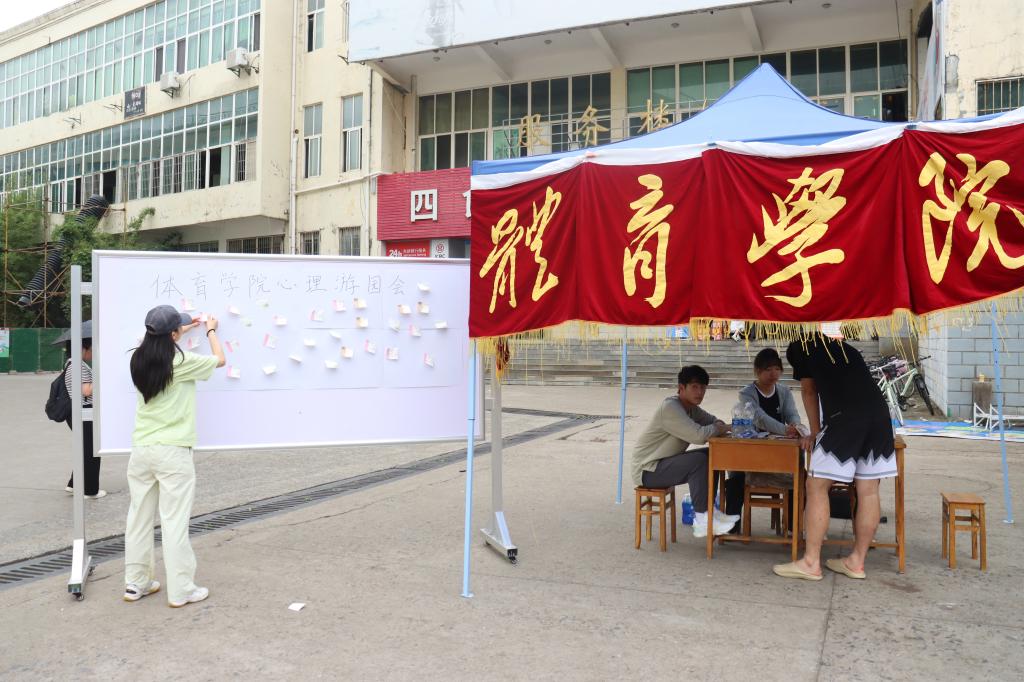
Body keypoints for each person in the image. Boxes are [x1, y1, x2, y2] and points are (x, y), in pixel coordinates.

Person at [123, 305, 224, 607]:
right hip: (173, 451)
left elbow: (155, 340)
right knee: (174, 522)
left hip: (142, 450)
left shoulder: (137, 357)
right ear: (173, 335)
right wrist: (210, 330)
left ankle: (136, 583)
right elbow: (220, 360)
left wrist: (183, 328)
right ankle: (181, 590)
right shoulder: (181, 361)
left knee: (138, 519)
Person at [772, 336, 896, 581]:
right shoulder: (845, 347)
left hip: (845, 417)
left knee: (816, 485)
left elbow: (809, 391)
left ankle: (811, 562)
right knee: (868, 490)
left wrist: (816, 432)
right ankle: (856, 562)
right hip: (880, 416)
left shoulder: (801, 347)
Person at [631, 365, 739, 538]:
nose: (700, 392)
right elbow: (699, 435)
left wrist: (719, 425)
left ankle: (710, 512)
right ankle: (701, 519)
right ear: (681, 387)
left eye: (703, 387)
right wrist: (723, 427)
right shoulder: (671, 408)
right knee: (699, 462)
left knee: (712, 455)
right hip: (648, 470)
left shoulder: (692, 409)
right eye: (694, 387)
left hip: (664, 463)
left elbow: (713, 421)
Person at [724, 348, 806, 521]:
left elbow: (792, 413)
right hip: (752, 452)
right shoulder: (746, 393)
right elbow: (760, 418)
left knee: (801, 477)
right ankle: (732, 526)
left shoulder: (784, 391)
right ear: (757, 371)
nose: (773, 373)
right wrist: (785, 430)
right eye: (768, 369)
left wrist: (795, 425)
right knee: (736, 478)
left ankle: (792, 525)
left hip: (777, 452)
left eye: (777, 369)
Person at [56, 321, 105, 499]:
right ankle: (89, 490)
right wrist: (101, 375)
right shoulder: (78, 365)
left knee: (85, 448)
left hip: (78, 411)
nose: (93, 351)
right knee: (91, 451)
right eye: (91, 347)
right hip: (83, 411)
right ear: (83, 347)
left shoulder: (73, 364)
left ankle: (74, 484)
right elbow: (86, 390)